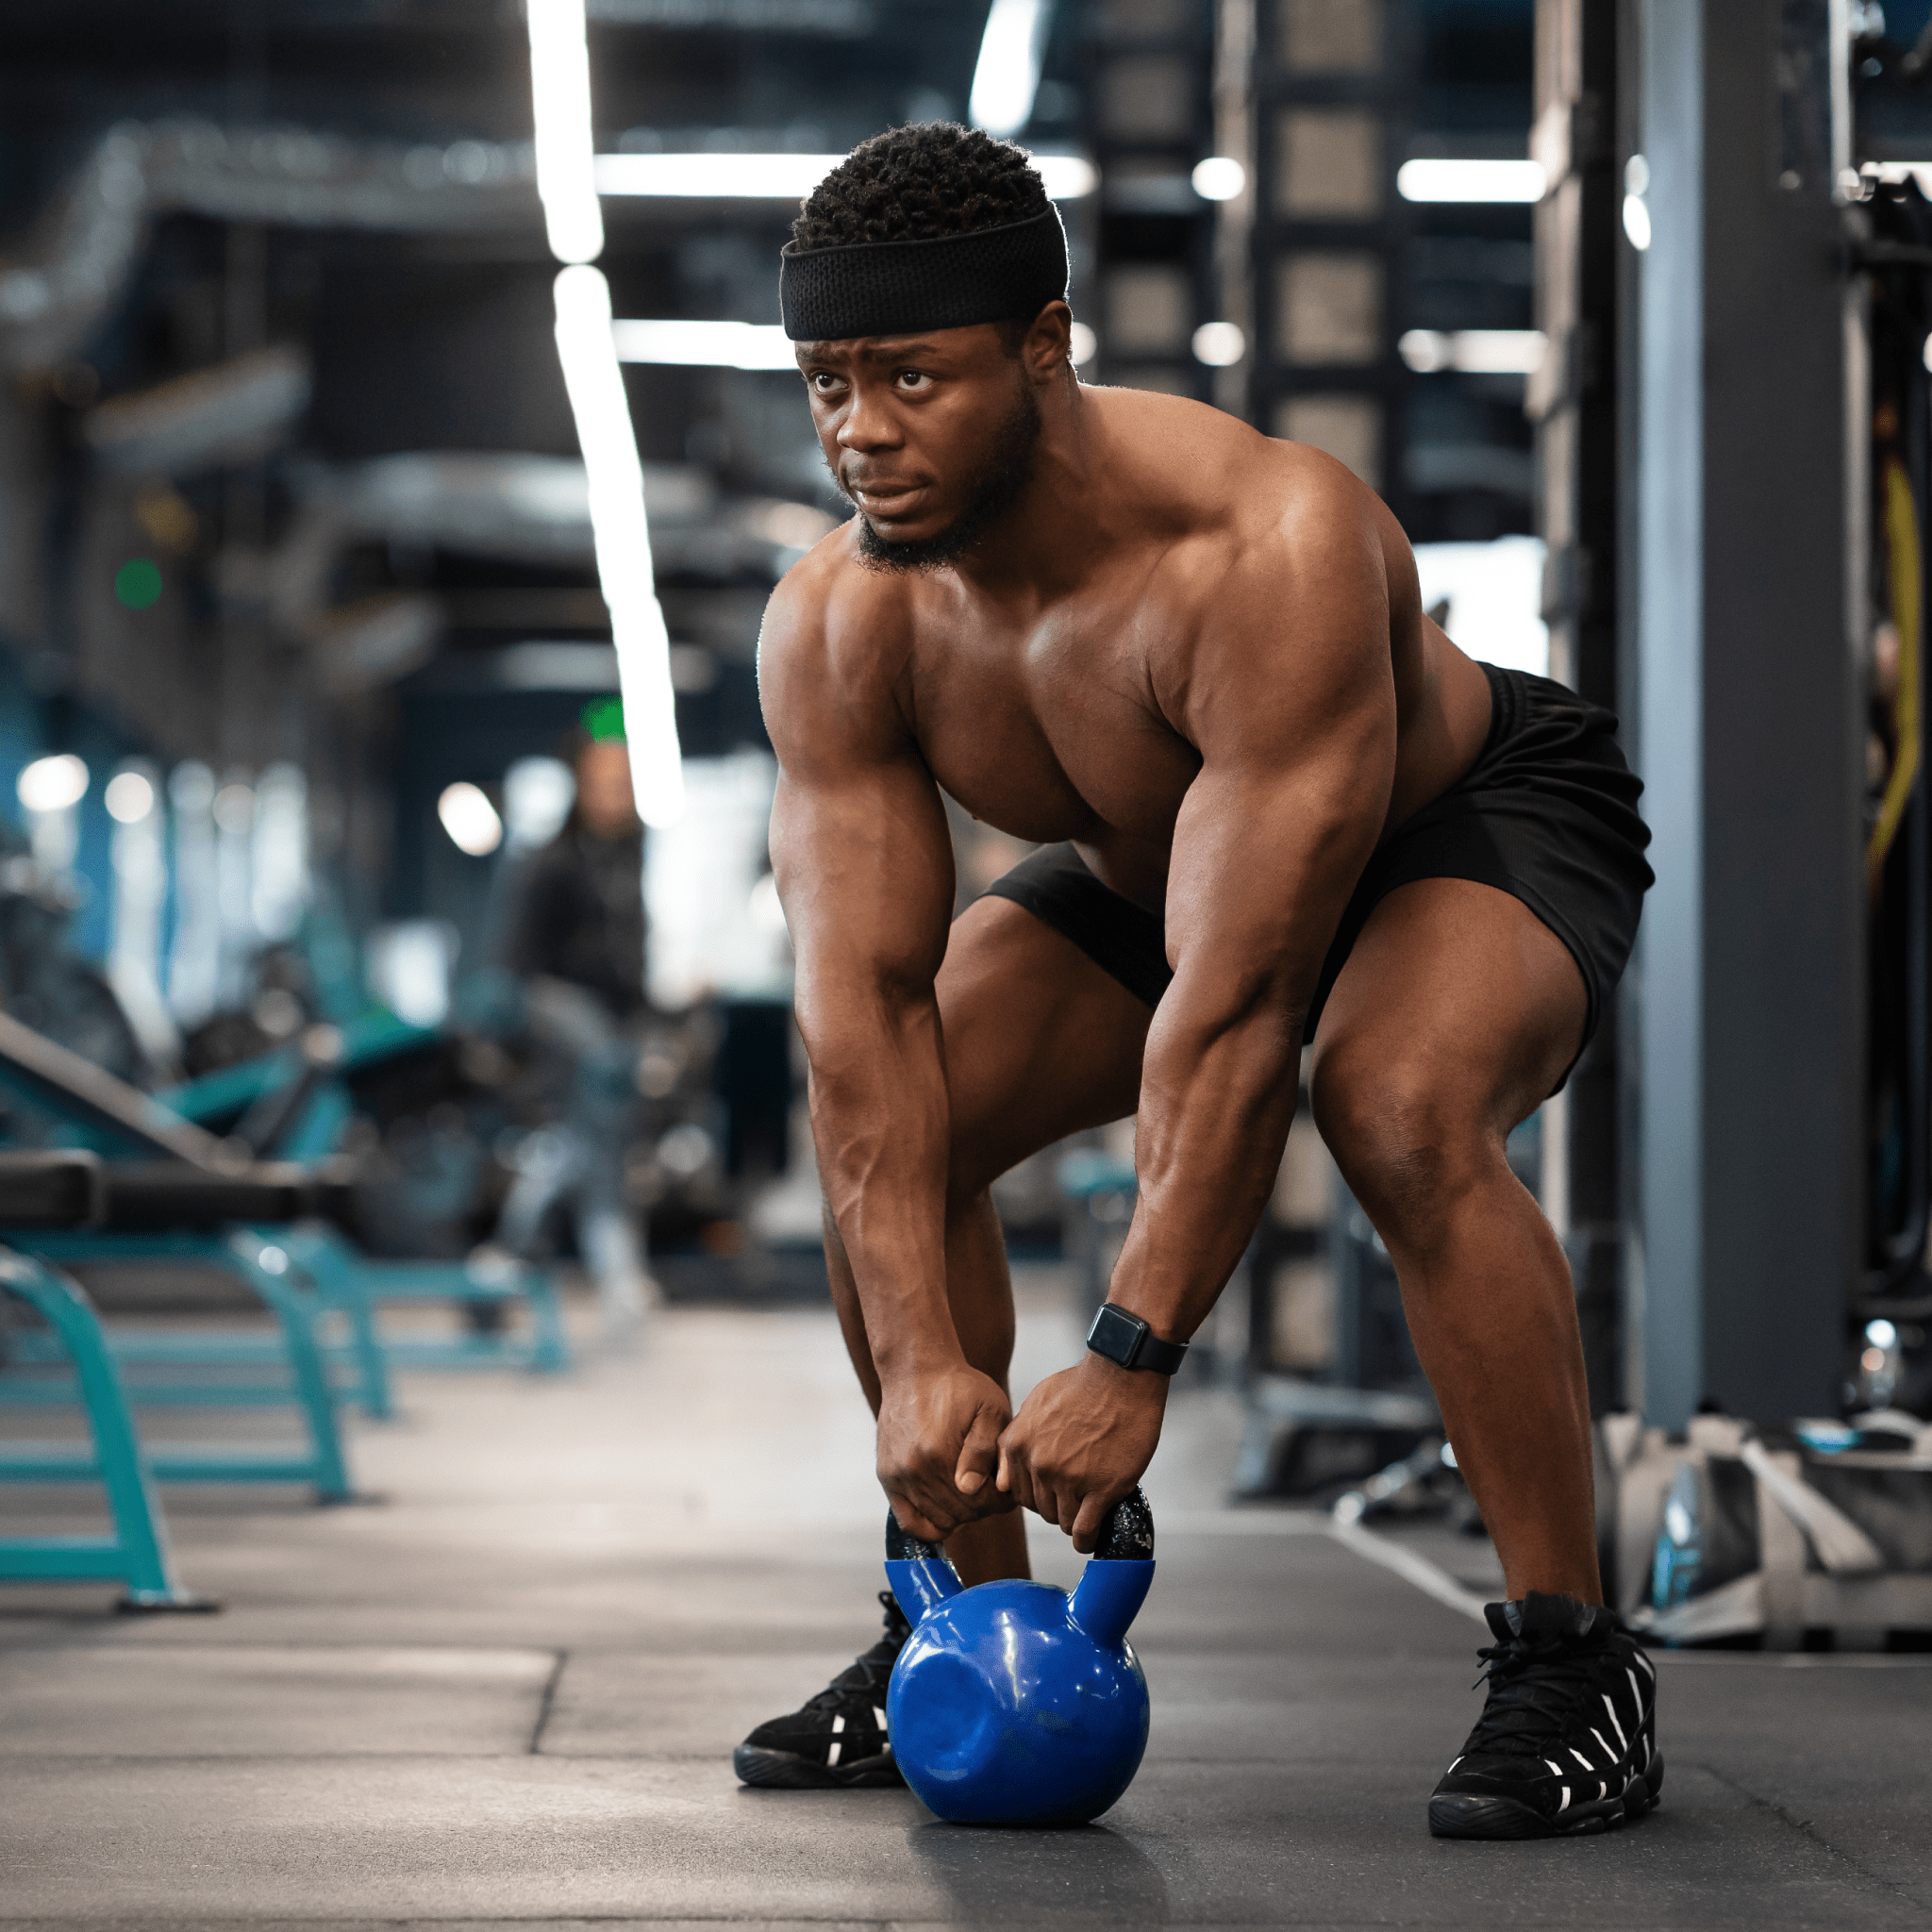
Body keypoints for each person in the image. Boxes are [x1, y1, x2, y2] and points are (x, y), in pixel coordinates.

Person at [737, 124, 1657, 1840]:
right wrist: (929, 1357)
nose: (860, 430)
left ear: (1044, 344)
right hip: (1148, 869)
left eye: (912, 377)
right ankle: (960, 1625)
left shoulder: (1263, 546)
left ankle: (1568, 1656)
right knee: (911, 1120)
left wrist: (1129, 1349)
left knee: (1387, 1096)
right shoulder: (841, 620)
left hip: (1456, 819)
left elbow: (1233, 1013)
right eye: (828, 381)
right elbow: (862, 1021)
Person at [495, 719, 657, 1335]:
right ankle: (615, 1274)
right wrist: (589, 1037)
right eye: (605, 781)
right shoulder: (552, 863)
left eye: (625, 782)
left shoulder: (628, 859)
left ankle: (510, 1257)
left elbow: (630, 957)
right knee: (597, 1144)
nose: (617, 793)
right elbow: (517, 967)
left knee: (590, 1146)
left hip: (615, 1028)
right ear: (582, 786)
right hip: (563, 1021)